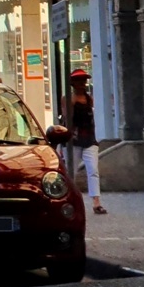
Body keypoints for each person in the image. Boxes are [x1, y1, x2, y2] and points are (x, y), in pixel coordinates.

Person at [62, 68, 105, 214]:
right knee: (70, 172)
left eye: (84, 81)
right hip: (73, 140)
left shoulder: (89, 99)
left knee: (93, 170)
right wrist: (71, 103)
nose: (82, 83)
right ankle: (69, 199)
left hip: (89, 139)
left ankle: (96, 202)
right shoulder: (67, 99)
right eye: (79, 81)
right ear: (73, 83)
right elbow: (67, 119)